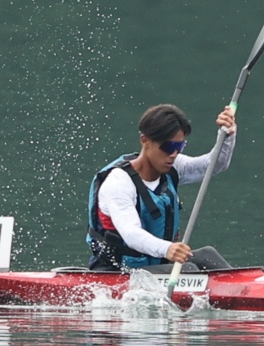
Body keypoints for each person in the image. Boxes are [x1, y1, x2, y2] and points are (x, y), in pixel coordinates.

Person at [86, 103, 238, 271]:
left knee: (207, 255)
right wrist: (167, 249)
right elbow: (131, 234)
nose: (173, 154)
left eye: (179, 147)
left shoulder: (173, 167)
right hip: (120, 271)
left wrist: (227, 135)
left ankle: (242, 286)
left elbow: (214, 165)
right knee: (188, 270)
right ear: (145, 141)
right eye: (168, 147)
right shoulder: (118, 182)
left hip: (157, 266)